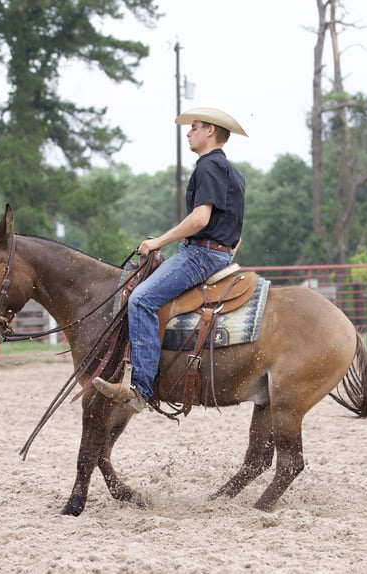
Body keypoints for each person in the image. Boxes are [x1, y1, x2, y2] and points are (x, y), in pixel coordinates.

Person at [93, 105, 248, 411]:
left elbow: (200, 218)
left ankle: (140, 387)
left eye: (195, 126)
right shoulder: (234, 173)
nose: (189, 132)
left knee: (141, 299)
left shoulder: (208, 166)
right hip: (220, 255)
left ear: (211, 131)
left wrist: (158, 242)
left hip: (199, 254)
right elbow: (237, 230)